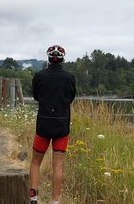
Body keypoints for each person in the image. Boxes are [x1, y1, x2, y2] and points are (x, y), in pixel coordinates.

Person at [29, 45, 76, 204]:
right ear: (63, 59)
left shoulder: (39, 76)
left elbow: (36, 96)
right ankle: (55, 201)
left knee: (36, 162)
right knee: (58, 165)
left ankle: (33, 198)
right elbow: (70, 98)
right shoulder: (69, 77)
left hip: (43, 124)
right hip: (62, 125)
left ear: (48, 58)